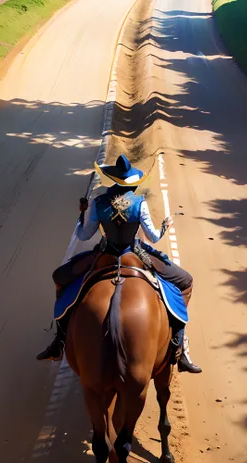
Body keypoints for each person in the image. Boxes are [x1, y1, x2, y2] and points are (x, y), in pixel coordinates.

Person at [37, 155, 202, 374]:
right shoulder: (139, 203)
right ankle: (178, 346)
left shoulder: (99, 202)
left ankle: (59, 342)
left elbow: (85, 235)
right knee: (185, 281)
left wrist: (82, 216)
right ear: (132, 183)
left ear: (113, 180)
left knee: (60, 277)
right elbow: (152, 237)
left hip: (105, 253)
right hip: (133, 252)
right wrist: (165, 227)